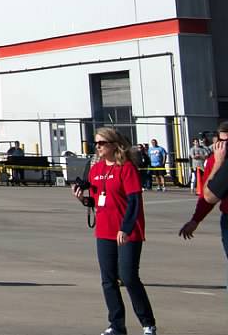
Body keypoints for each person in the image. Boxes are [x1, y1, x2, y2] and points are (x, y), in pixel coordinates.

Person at [71, 126, 156, 335]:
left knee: (128, 277)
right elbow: (98, 200)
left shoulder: (126, 168)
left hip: (127, 232)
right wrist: (83, 199)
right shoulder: (96, 169)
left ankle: (148, 323)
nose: (98, 147)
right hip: (104, 231)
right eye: (96, 143)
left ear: (113, 144)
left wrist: (125, 228)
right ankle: (117, 325)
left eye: (102, 143)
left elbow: (134, 201)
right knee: (108, 280)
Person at [178, 123, 228, 292]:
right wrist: (195, 220)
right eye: (221, 141)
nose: (224, 146)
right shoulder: (215, 158)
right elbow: (206, 199)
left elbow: (209, 195)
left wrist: (218, 165)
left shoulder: (219, 161)